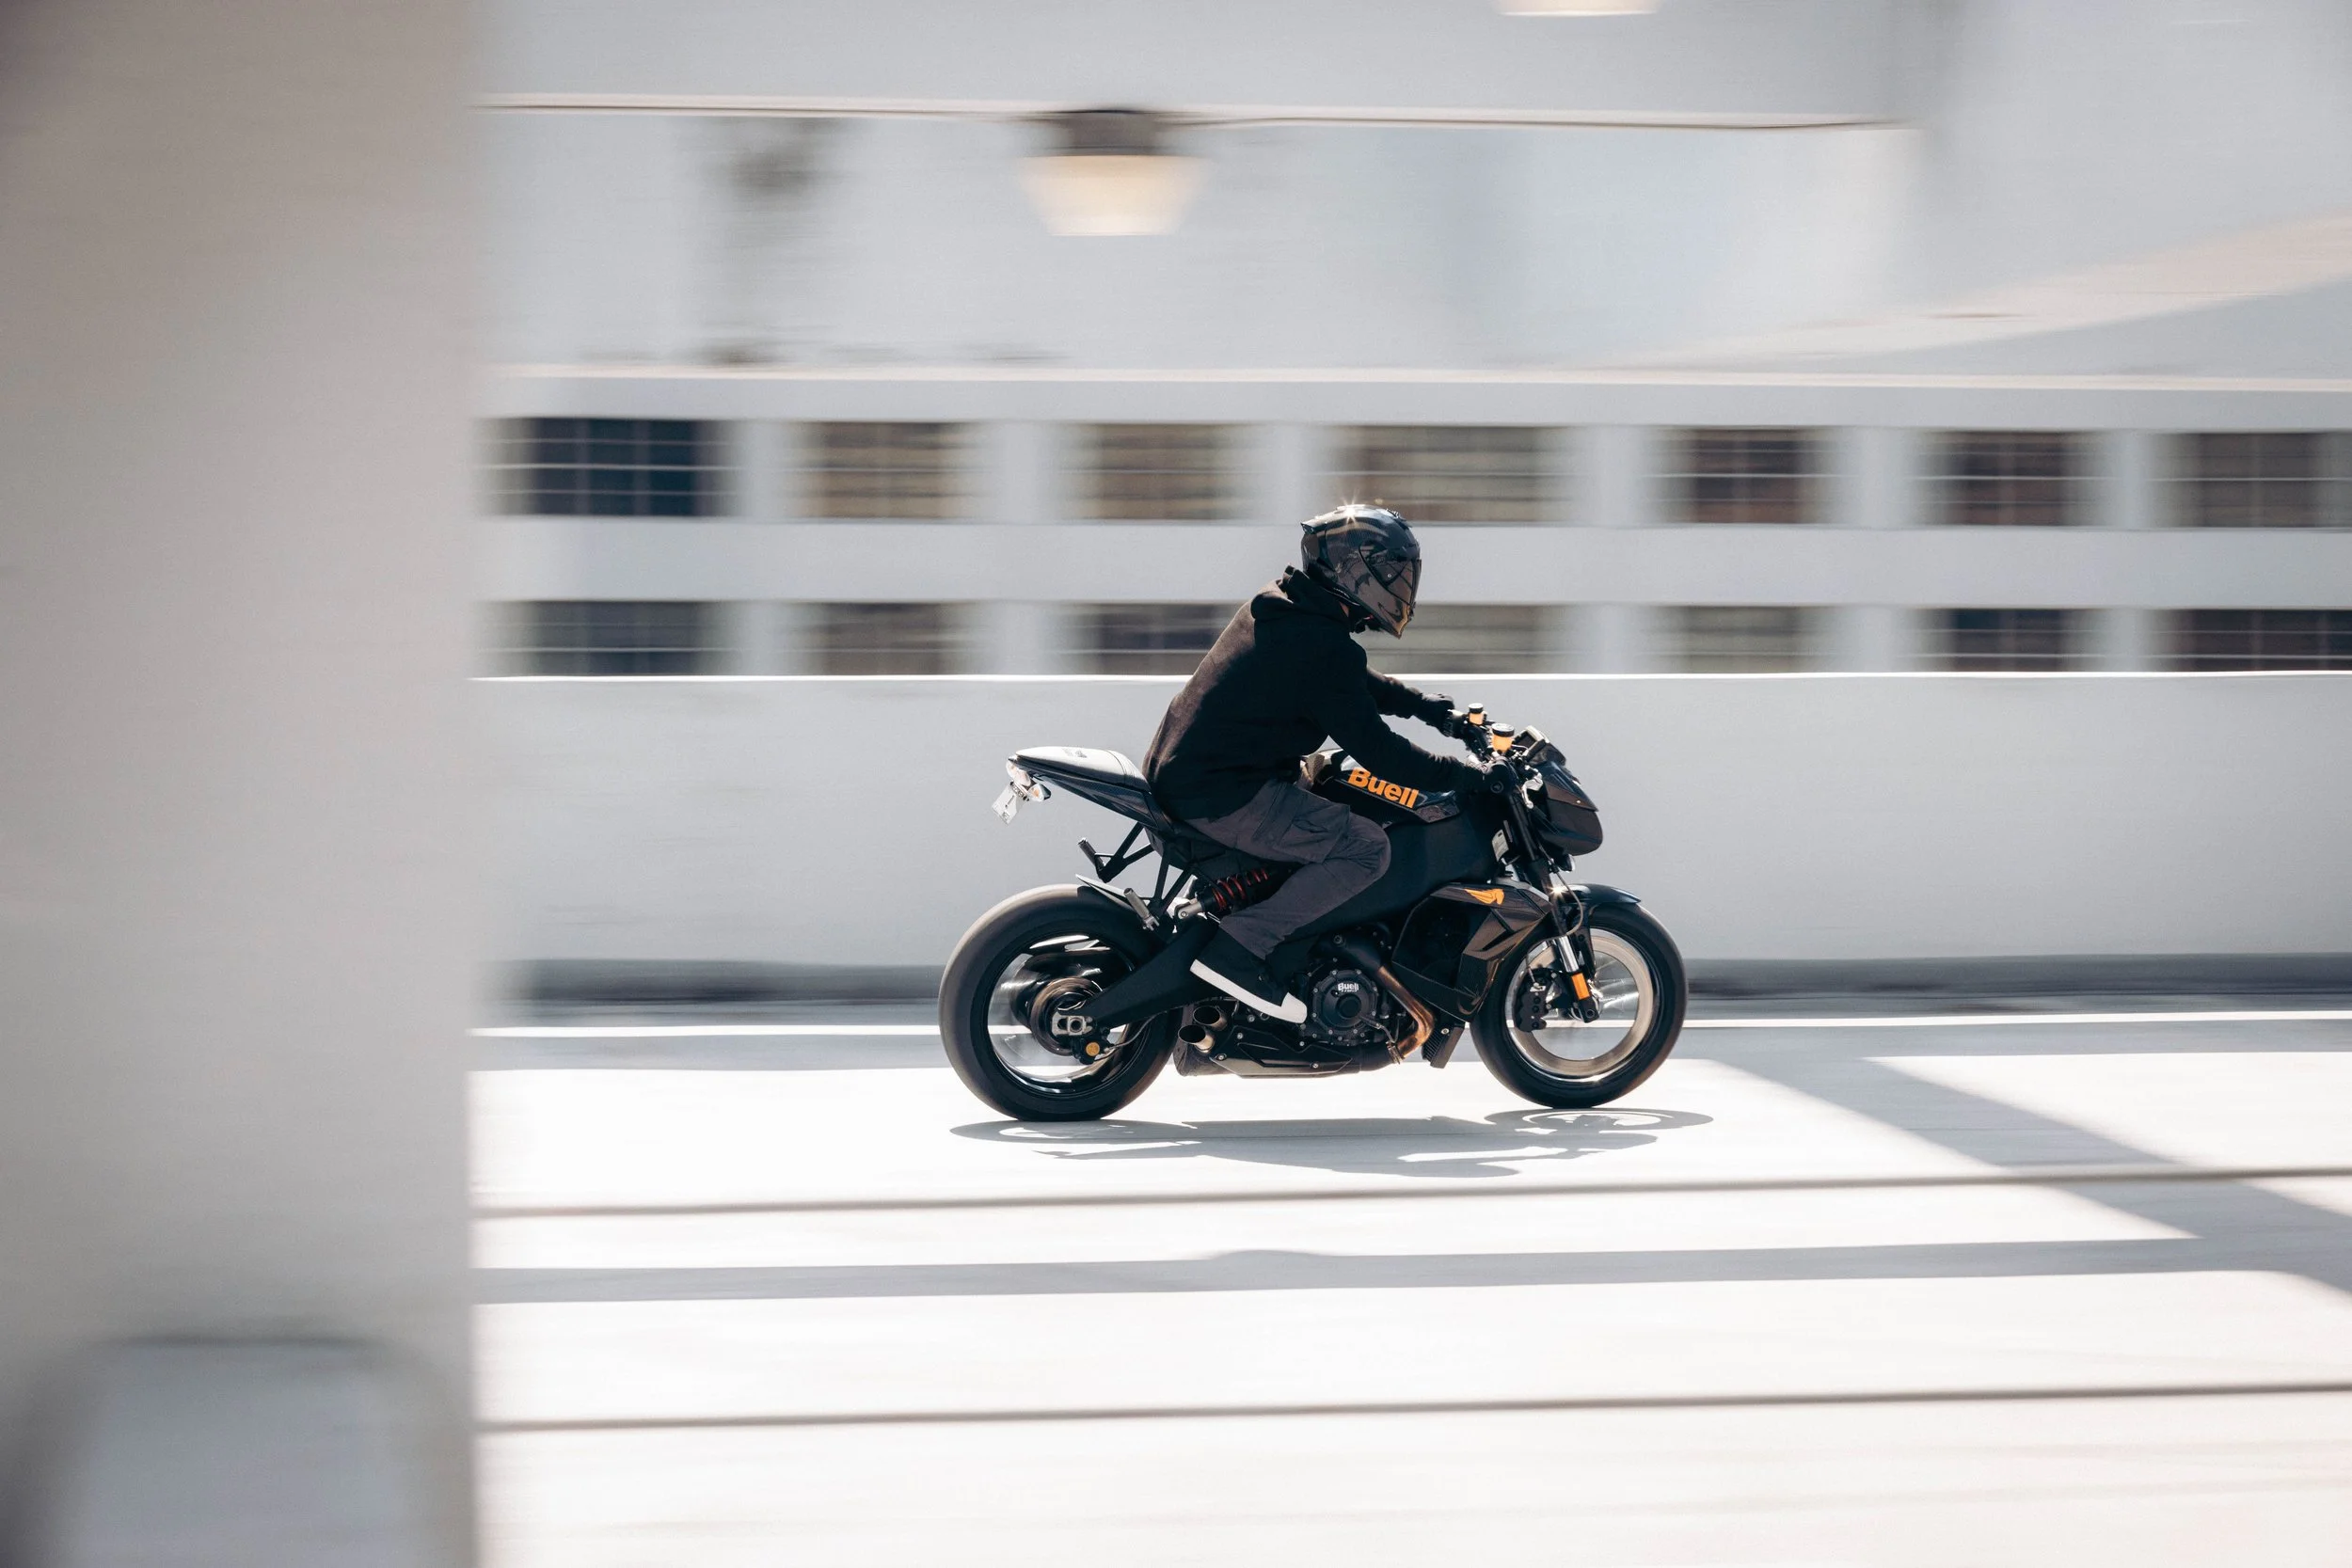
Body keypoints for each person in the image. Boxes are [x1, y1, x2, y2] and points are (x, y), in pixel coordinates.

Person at [1144, 504, 1501, 1022]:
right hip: (1222, 793)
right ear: (1357, 571)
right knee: (1365, 848)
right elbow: (1382, 753)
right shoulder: (1317, 643)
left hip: (1198, 775)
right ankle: (1239, 948)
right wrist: (1469, 776)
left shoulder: (1288, 608)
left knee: (1334, 784)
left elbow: (1353, 683)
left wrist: (1431, 710)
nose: (1402, 585)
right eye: (1394, 573)